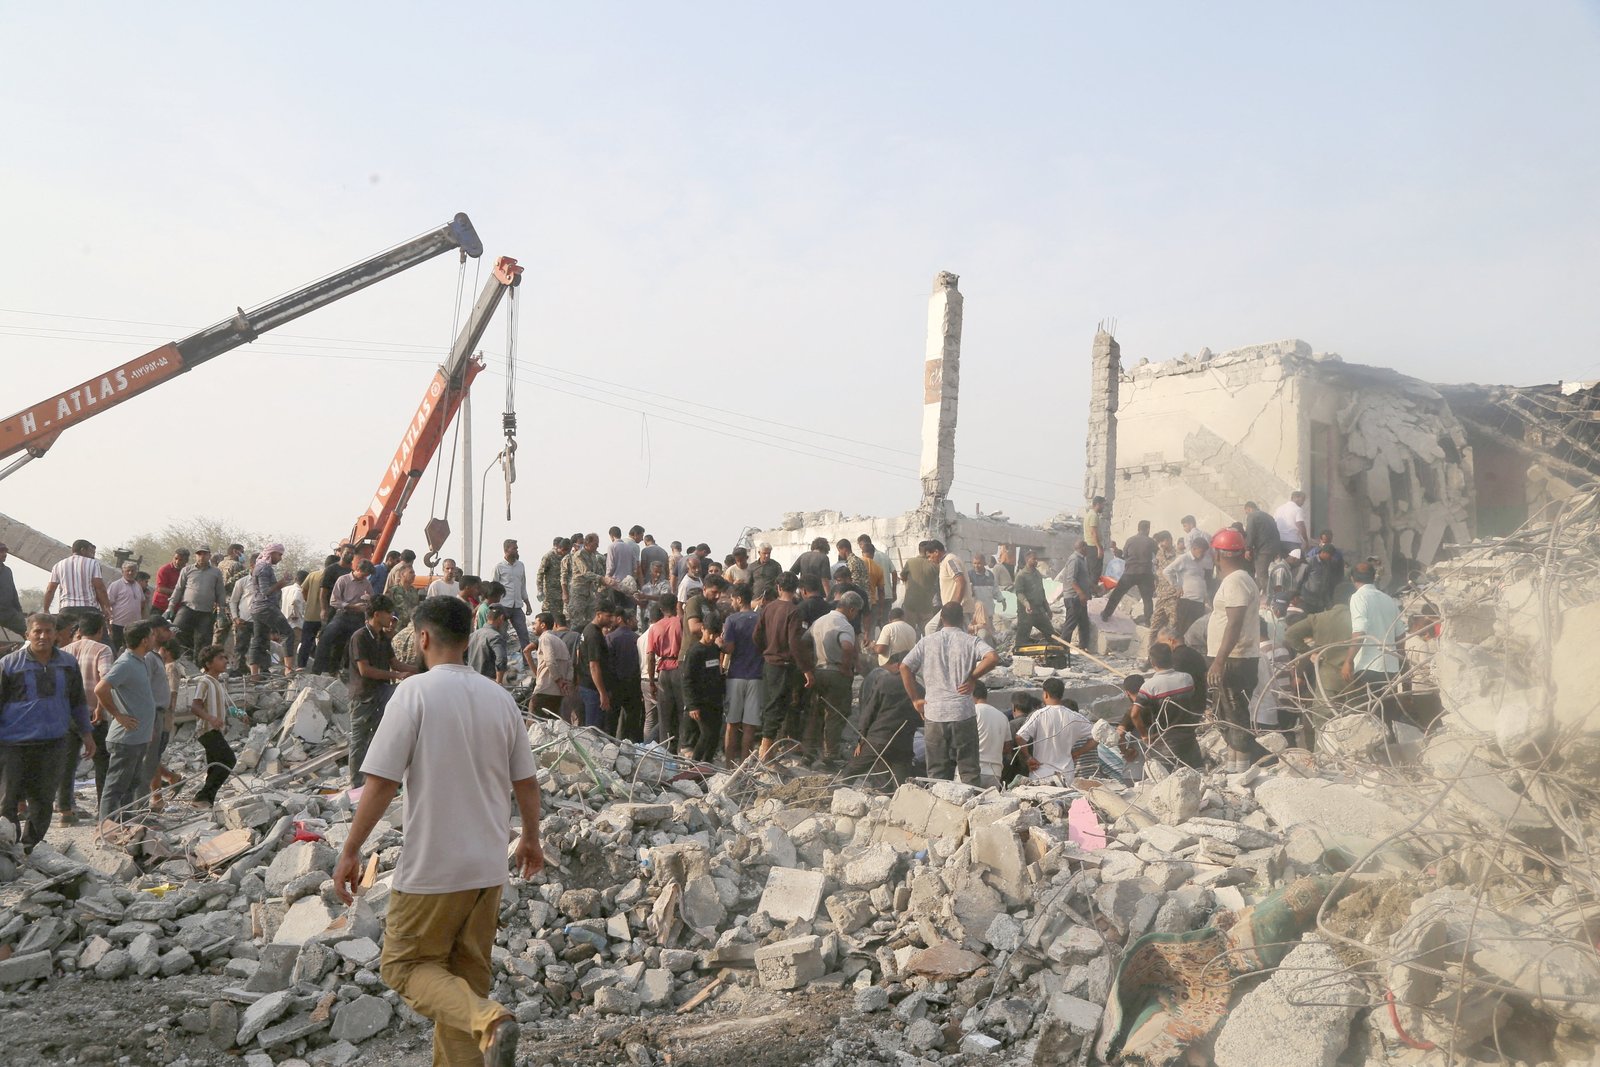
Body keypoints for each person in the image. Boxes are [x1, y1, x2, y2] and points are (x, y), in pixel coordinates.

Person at [331, 596, 536, 1067]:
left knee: (403, 966)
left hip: (433, 869)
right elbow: (526, 782)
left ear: (422, 637)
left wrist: (350, 850)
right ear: (467, 637)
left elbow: (381, 782)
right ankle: (484, 1025)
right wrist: (530, 838)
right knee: (461, 988)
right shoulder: (500, 698)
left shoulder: (414, 693)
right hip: (487, 870)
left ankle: (490, 1019)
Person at [1, 613, 94, 848]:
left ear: (56, 635)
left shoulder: (68, 663)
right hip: (14, 744)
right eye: (37, 631)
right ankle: (8, 847)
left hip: (53, 743)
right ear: (28, 634)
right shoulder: (9, 664)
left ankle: (30, 848)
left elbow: (77, 702)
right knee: (7, 800)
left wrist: (87, 734)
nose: (42, 636)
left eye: (48, 631)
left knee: (42, 800)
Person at [899, 602, 998, 783]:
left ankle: (938, 800)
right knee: (969, 770)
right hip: (962, 712)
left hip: (934, 713)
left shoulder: (926, 642)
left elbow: (904, 667)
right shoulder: (970, 640)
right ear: (962, 619)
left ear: (941, 618)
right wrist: (972, 677)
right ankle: (970, 801)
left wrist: (915, 699)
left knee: (936, 772)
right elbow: (992, 657)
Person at [1207, 528, 1266, 772]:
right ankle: (1233, 770)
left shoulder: (1236, 581)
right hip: (1232, 657)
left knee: (1236, 716)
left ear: (1218, 555)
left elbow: (1234, 623)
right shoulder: (1238, 579)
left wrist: (1219, 661)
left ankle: (1241, 772)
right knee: (1227, 716)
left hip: (1234, 659)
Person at [95, 619, 157, 832]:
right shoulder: (125, 663)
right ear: (144, 640)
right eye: (152, 635)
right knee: (115, 786)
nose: (154, 639)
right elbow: (101, 689)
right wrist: (118, 715)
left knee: (131, 783)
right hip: (125, 738)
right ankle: (107, 827)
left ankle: (125, 823)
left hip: (138, 736)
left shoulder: (140, 661)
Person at [349, 595, 410, 788]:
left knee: (381, 737)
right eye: (388, 613)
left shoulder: (382, 637)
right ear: (377, 614)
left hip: (382, 693)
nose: (391, 617)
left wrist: (422, 669)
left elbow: (395, 663)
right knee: (359, 741)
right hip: (363, 696)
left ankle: (376, 781)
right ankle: (357, 784)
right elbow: (365, 670)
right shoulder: (360, 637)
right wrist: (397, 675)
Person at [59, 611, 112, 822]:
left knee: (67, 763)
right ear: (101, 630)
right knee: (102, 761)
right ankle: (104, 811)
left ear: (79, 630)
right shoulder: (103, 650)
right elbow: (105, 681)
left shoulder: (64, 651)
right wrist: (101, 708)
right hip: (92, 714)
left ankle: (65, 811)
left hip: (67, 715)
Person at [754, 574, 812, 763]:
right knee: (776, 707)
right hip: (783, 665)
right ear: (796, 589)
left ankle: (767, 751)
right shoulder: (794, 611)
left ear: (778, 588)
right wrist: (806, 669)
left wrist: (767, 650)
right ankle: (765, 753)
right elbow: (794, 642)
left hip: (769, 663)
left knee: (770, 705)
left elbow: (756, 635)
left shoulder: (768, 608)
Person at [843, 651, 919, 790]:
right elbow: (921, 718)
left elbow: (869, 712)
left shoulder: (884, 682)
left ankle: (835, 793)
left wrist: (861, 738)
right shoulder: (919, 689)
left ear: (899, 665)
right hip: (903, 744)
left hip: (878, 739)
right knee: (901, 785)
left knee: (850, 772)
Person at [1343, 563, 1406, 726]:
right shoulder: (1388, 599)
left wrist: (1348, 661)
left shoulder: (1358, 597)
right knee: (1387, 719)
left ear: (1352, 579)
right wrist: (1400, 661)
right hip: (1390, 668)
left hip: (1368, 668)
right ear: (1373, 578)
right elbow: (1400, 634)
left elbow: (1360, 632)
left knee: (1366, 721)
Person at [805, 591, 860, 766]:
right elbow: (847, 647)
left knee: (816, 713)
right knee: (836, 714)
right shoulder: (844, 625)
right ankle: (831, 754)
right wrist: (846, 667)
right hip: (836, 673)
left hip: (818, 671)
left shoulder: (819, 621)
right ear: (852, 609)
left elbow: (804, 641)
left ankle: (810, 752)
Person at [1131, 642, 1204, 769]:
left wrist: (1144, 735)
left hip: (1165, 744)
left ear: (1152, 662)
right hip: (1189, 741)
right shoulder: (1187, 678)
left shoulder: (1149, 687)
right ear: (1171, 659)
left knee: (1167, 778)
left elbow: (1134, 714)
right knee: (1198, 775)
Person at [184, 643, 236, 807]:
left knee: (215, 766)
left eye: (225, 657)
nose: (225, 661)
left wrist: (240, 715)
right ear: (208, 663)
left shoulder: (217, 683)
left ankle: (206, 801)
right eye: (220, 658)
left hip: (215, 730)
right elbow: (195, 706)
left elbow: (224, 706)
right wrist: (210, 718)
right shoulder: (205, 682)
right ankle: (202, 797)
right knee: (228, 760)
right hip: (207, 730)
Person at [1015, 678, 1095, 780]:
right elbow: (1096, 737)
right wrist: (1077, 753)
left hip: (1042, 773)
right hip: (1066, 774)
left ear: (1046, 694)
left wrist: (1028, 758)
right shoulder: (1075, 717)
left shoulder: (1039, 715)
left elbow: (1020, 737)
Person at [718, 583, 763, 765]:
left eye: (732, 599)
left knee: (732, 722)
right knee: (750, 725)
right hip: (757, 675)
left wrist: (719, 643)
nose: (731, 603)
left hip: (736, 675)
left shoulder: (732, 620)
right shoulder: (761, 618)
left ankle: (729, 764)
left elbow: (729, 648)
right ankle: (744, 764)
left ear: (739, 599)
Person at [315, 559, 376, 675]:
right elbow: (334, 601)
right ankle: (318, 669)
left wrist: (368, 601)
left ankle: (342, 670)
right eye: (364, 575)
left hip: (358, 617)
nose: (365, 578)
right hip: (343, 614)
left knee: (356, 642)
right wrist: (352, 606)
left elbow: (372, 600)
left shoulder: (366, 583)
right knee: (326, 637)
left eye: (366, 576)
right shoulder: (343, 580)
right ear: (358, 569)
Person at [42, 539, 112, 637]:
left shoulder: (58, 565)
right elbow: (100, 589)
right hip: (89, 609)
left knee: (66, 639)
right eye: (91, 552)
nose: (93, 556)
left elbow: (50, 590)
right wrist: (106, 607)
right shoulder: (93, 564)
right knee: (99, 639)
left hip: (67, 609)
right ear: (83, 550)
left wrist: (46, 609)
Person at [682, 612, 726, 763]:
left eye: (715, 634)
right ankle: (695, 764)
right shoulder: (695, 652)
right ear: (702, 629)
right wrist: (692, 705)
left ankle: (707, 764)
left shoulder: (714, 649)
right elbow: (687, 680)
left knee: (714, 735)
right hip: (700, 703)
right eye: (710, 633)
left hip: (715, 701)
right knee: (706, 734)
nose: (712, 637)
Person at [169, 545, 226, 659]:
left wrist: (221, 611)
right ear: (195, 556)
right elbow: (179, 589)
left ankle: (200, 664)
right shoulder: (187, 570)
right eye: (199, 554)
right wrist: (170, 606)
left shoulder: (216, 572)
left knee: (204, 640)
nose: (202, 556)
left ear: (209, 555)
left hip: (206, 611)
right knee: (175, 630)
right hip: (188, 608)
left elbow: (220, 592)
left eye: (205, 554)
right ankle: (183, 658)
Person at [249, 543, 293, 679]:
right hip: (266, 607)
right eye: (279, 554)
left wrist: (282, 582)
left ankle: (254, 675)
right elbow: (265, 591)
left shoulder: (260, 566)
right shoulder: (264, 568)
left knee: (259, 640)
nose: (280, 558)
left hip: (257, 608)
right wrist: (281, 583)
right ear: (272, 553)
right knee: (288, 634)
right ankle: (289, 670)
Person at [1102, 520, 1157, 624]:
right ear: (1148, 529)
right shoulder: (1151, 542)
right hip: (1145, 573)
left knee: (1117, 594)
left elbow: (1125, 555)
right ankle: (1148, 621)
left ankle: (1106, 614)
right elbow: (1157, 555)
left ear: (1138, 528)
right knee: (1147, 599)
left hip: (1130, 572)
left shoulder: (1130, 540)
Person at [607, 611, 644, 741]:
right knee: (633, 720)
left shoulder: (610, 638)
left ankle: (610, 745)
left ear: (620, 619)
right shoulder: (637, 638)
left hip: (615, 685)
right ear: (627, 620)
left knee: (612, 720)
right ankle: (632, 746)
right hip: (634, 684)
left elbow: (608, 664)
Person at [1163, 536, 1210, 637]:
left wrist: (1206, 597)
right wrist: (1177, 586)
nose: (1203, 555)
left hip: (1199, 602)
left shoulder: (1201, 562)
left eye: (1204, 553)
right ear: (1194, 548)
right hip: (1187, 601)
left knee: (1195, 633)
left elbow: (1201, 580)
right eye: (1201, 552)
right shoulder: (1184, 558)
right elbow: (1166, 572)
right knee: (1182, 631)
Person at [529, 612, 572, 719]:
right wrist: (566, 683)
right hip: (559, 693)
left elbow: (550, 660)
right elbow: (569, 665)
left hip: (544, 690)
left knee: (537, 723)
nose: (533, 627)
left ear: (543, 625)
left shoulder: (545, 638)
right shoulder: (560, 641)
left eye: (535, 623)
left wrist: (558, 680)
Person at [493, 539, 533, 650]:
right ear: (506, 550)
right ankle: (501, 659)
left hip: (517, 606)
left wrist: (528, 604)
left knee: (524, 634)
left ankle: (526, 658)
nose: (516, 550)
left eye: (517, 548)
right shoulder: (499, 567)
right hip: (503, 606)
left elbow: (522, 586)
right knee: (501, 635)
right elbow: (494, 587)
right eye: (514, 548)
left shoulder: (520, 565)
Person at [1014, 549, 1057, 651]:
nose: (1036, 561)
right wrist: (1026, 604)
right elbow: (1019, 593)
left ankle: (1055, 653)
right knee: (1021, 641)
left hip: (1039, 611)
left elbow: (1042, 592)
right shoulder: (1021, 575)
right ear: (1027, 560)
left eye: (1036, 559)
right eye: (1034, 559)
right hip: (1026, 613)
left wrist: (1048, 609)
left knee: (1051, 634)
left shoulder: (1037, 574)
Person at [925, 541, 971, 635]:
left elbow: (961, 581)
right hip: (949, 608)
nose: (929, 560)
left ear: (936, 552)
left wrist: (955, 606)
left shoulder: (950, 560)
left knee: (931, 628)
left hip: (957, 608)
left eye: (929, 556)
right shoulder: (944, 562)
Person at [972, 680, 1012, 788]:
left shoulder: (972, 712)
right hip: (995, 773)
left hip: (973, 770)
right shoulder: (1002, 716)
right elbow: (1007, 747)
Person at [565, 535, 605, 631]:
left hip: (590, 593)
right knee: (577, 620)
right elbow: (586, 572)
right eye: (595, 544)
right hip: (579, 592)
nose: (598, 546)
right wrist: (602, 579)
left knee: (591, 620)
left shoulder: (593, 556)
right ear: (588, 543)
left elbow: (599, 571)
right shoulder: (579, 555)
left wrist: (607, 579)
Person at [467, 605, 515, 684]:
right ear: (501, 618)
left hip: (471, 680)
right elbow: (501, 660)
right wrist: (498, 682)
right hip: (487, 682)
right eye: (505, 620)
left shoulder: (473, 635)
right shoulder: (495, 636)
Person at [105, 561, 145, 653]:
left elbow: (142, 602)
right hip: (118, 624)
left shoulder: (138, 586)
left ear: (136, 572)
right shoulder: (116, 585)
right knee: (115, 649)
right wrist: (108, 625)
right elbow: (107, 604)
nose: (130, 573)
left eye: (133, 571)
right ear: (123, 572)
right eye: (128, 571)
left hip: (133, 626)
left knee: (131, 650)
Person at [899, 543, 939, 635]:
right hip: (926, 605)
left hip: (910, 604)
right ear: (928, 552)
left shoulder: (910, 562)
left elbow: (903, 576)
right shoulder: (934, 566)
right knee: (928, 634)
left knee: (909, 632)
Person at [1242, 501, 1281, 592]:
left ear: (1249, 509)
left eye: (1246, 512)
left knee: (1261, 575)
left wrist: (1248, 548)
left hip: (1263, 550)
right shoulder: (1269, 516)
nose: (1247, 514)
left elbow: (1250, 532)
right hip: (1273, 549)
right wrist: (1278, 550)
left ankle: (1271, 596)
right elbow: (1276, 532)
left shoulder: (1252, 516)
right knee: (1262, 574)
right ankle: (1256, 594)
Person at [536, 538, 569, 619]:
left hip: (561, 592)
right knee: (548, 615)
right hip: (550, 593)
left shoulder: (565, 557)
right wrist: (540, 590)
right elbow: (540, 574)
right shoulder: (548, 556)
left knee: (560, 616)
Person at [1274, 491, 1312, 562]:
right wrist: (1306, 541)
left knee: (1283, 563)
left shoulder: (1279, 509)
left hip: (1279, 541)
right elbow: (1300, 525)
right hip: (1292, 541)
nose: (1303, 503)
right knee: (1300, 563)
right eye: (1302, 500)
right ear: (1295, 498)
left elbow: (1274, 524)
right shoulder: (1297, 509)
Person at [282, 568, 308, 665]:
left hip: (284, 620)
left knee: (286, 644)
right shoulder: (299, 590)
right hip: (295, 622)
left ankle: (285, 665)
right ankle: (290, 666)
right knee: (294, 644)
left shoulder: (285, 589)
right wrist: (295, 613)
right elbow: (295, 601)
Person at [0, 542, 25, 638]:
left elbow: (13, 593)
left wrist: (19, 612)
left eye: (5, 551)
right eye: (1, 551)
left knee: (28, 630)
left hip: (8, 612)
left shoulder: (7, 571)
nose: (5, 554)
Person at [1084, 497, 1109, 585]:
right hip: (1093, 547)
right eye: (1103, 505)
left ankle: (1091, 589)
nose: (1103, 507)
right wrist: (1099, 548)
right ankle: (1092, 590)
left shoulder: (1089, 514)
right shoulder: (1093, 516)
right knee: (1095, 572)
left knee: (1092, 572)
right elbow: (1093, 533)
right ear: (1098, 504)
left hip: (1090, 546)